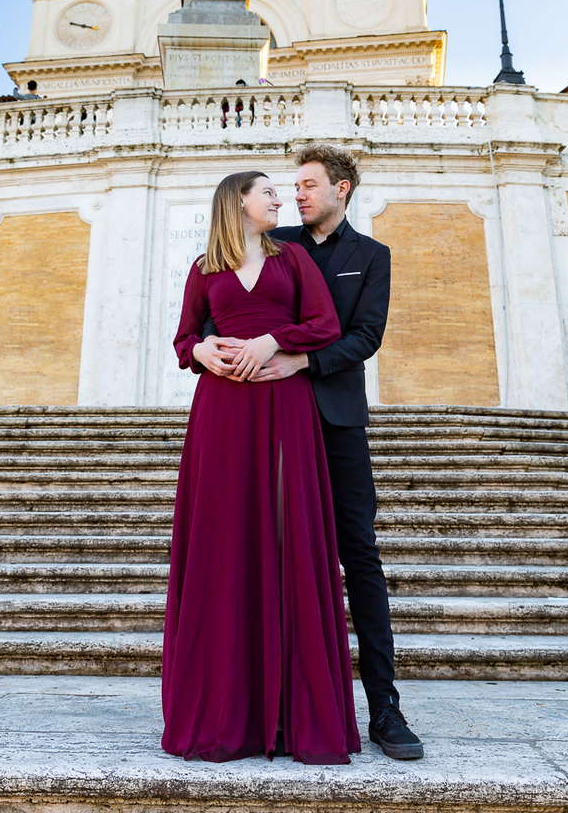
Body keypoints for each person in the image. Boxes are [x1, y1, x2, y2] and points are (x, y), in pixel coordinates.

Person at [199, 146, 424, 761]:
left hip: (335, 419)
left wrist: (299, 358)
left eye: (307, 185)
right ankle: (269, 705)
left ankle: (385, 708)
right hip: (265, 424)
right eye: (288, 187)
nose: (295, 195)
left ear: (342, 189)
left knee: (358, 553)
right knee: (265, 550)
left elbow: (365, 336)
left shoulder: (370, 256)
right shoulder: (277, 246)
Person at [161, 170, 361, 765]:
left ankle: (291, 714)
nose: (281, 200)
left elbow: (326, 326)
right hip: (221, 407)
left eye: (282, 191)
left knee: (285, 532)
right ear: (237, 202)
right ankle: (224, 710)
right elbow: (183, 337)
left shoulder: (292, 259)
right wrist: (199, 351)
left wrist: (274, 342)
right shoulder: (205, 269)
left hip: (283, 400)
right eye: (268, 192)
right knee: (224, 541)